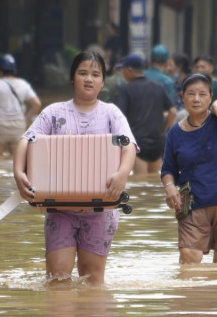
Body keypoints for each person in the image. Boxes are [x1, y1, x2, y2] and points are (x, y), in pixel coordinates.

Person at [13, 50, 138, 285]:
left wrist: (122, 174)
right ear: (72, 78)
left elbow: (128, 145)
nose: (88, 79)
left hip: (102, 212)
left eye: (95, 74)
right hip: (59, 210)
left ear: (103, 81)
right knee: (57, 279)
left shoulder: (111, 113)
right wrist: (18, 173)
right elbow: (25, 140)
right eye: (82, 73)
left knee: (92, 281)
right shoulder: (53, 112)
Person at [161, 73, 217, 264]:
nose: (196, 99)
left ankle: (214, 294)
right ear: (182, 97)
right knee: (189, 256)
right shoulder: (175, 132)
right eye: (191, 94)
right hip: (193, 202)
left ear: (210, 97)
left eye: (202, 94)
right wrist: (169, 188)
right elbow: (168, 169)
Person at [115, 53, 175, 174]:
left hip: (138, 141)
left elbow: (119, 115)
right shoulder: (158, 87)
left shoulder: (127, 89)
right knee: (154, 182)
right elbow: (173, 112)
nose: (123, 73)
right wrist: (164, 130)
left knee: (140, 182)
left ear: (130, 69)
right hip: (157, 141)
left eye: (124, 70)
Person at [0, 54, 42, 156]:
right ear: (15, 71)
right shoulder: (23, 84)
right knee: (17, 163)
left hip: (0, 127)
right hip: (19, 127)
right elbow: (37, 104)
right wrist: (25, 119)